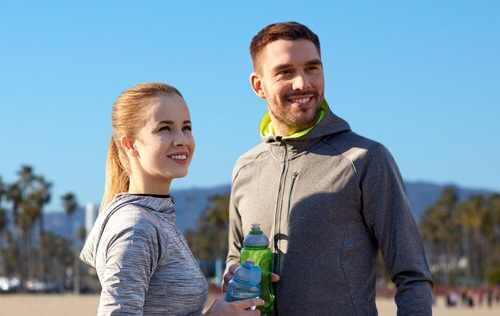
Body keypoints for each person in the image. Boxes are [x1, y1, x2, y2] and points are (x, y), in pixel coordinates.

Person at [223, 22, 434, 315]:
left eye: (312, 68)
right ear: (258, 85)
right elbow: (234, 256)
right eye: (285, 72)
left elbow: (412, 274)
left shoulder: (365, 159)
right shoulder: (246, 167)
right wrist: (234, 274)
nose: (303, 84)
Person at [80, 82, 263, 315]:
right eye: (164, 128)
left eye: (186, 128)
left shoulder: (157, 217)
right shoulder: (136, 227)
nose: (181, 139)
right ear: (130, 144)